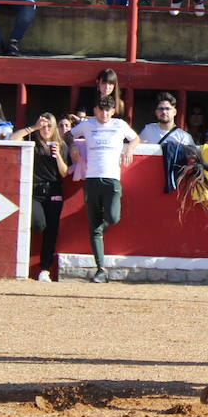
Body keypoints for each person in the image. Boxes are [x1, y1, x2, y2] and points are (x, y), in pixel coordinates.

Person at [68, 95, 138, 283]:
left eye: (108, 110)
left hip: (112, 178)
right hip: (91, 179)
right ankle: (100, 268)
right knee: (94, 228)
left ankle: (98, 230)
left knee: (112, 218)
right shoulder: (87, 125)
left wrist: (129, 148)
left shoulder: (119, 125)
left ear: (113, 111)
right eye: (101, 109)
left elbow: (135, 138)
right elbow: (69, 134)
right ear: (96, 110)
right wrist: (72, 145)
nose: (104, 113)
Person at [10, 113, 70, 281]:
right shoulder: (32, 143)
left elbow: (64, 173)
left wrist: (58, 155)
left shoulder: (62, 146)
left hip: (53, 190)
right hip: (34, 190)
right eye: (43, 126)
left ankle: (45, 269)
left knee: (51, 230)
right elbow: (13, 139)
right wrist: (33, 128)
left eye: (49, 126)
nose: (46, 129)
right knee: (38, 224)